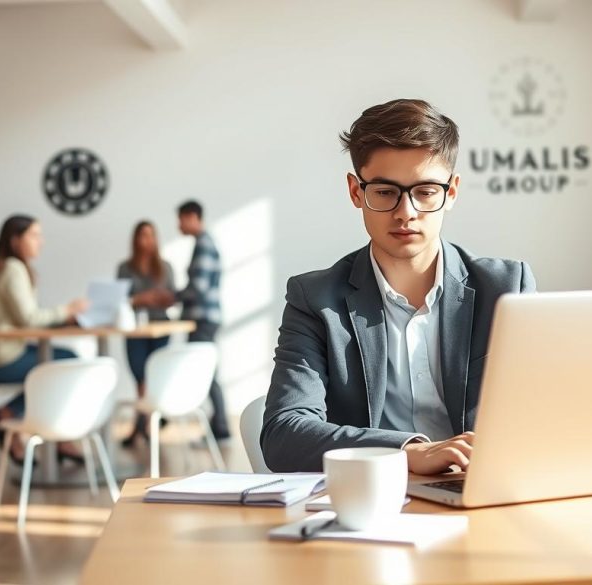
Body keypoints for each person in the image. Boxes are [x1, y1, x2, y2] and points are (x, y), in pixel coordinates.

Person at [261, 99, 536, 474]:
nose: (405, 212)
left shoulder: (506, 289)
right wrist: (406, 452)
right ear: (357, 192)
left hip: (477, 492)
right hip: (372, 499)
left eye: (425, 191)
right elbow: (284, 434)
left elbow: (541, 416)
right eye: (385, 191)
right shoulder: (315, 300)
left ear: (451, 192)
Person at [0, 214, 90, 465]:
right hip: (0, 358)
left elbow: (25, 319)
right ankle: (35, 425)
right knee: (68, 363)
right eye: (35, 235)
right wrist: (68, 310)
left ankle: (58, 439)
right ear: (15, 240)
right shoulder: (13, 269)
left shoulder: (6, 268)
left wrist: (63, 317)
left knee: (61, 364)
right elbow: (29, 319)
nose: (41, 242)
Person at [117, 221, 177, 447]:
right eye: (142, 235)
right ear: (135, 239)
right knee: (139, 373)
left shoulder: (165, 267)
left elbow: (173, 295)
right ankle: (144, 421)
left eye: (151, 235)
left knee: (154, 373)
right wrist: (139, 299)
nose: (146, 240)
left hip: (160, 326)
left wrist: (160, 298)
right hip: (134, 328)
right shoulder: (125, 268)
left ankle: (144, 423)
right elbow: (120, 299)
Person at [175, 200, 230, 439]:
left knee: (205, 373)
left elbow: (198, 288)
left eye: (181, 219)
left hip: (203, 319)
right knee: (206, 372)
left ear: (192, 217)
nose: (179, 225)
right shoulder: (202, 243)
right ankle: (219, 425)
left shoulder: (204, 245)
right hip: (203, 318)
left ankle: (221, 427)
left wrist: (171, 297)